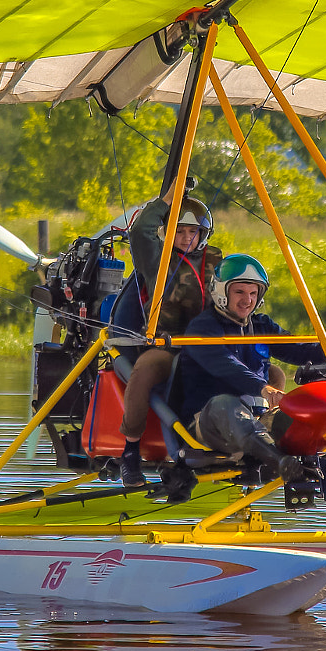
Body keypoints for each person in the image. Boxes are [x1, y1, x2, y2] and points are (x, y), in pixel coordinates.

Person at [175, 253, 326, 481]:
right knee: (224, 404)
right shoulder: (202, 328)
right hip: (208, 424)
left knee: (316, 407)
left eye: (253, 293)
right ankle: (279, 462)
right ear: (221, 292)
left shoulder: (262, 325)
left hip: (259, 421)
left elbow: (303, 351)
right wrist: (264, 389)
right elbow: (226, 365)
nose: (247, 300)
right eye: (239, 292)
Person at [107, 184, 218, 487]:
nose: (185, 239)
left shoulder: (217, 265)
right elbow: (141, 231)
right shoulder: (157, 260)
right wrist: (167, 200)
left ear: (202, 235)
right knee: (144, 371)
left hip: (209, 346)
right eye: (179, 232)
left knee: (268, 370)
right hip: (167, 344)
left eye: (191, 233)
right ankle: (130, 452)